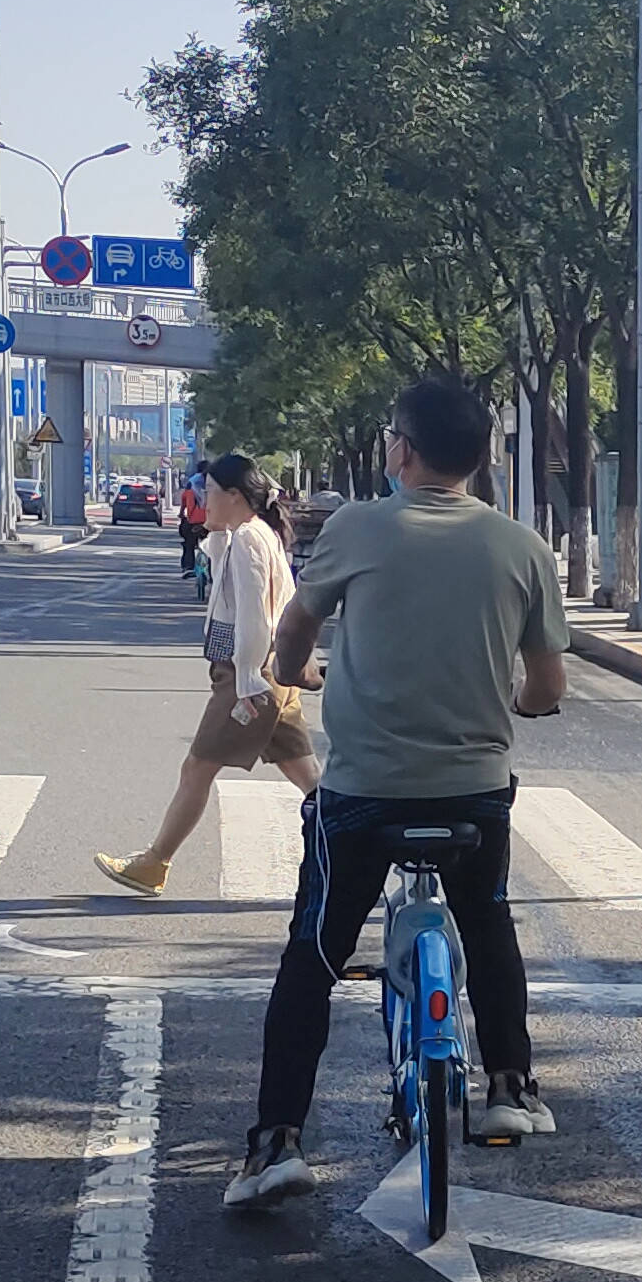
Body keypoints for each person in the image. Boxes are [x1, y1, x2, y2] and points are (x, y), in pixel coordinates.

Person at [226, 376, 573, 1209]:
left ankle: (276, 1142)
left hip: (363, 795)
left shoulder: (356, 526)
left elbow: (293, 633)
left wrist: (290, 672)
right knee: (488, 926)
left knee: (312, 955)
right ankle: (512, 1087)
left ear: (403, 450)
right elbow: (546, 684)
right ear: (480, 457)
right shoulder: (522, 547)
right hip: (474, 795)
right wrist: (524, 703)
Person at [96, 455, 323, 898]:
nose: (203, 500)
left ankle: (153, 863)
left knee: (197, 767)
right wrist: (215, 537)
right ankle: (357, 846)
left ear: (234, 496)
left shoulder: (249, 540)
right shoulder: (247, 536)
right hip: (259, 671)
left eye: (210, 491)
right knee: (308, 778)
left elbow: (256, 618)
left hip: (250, 674)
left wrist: (246, 681)